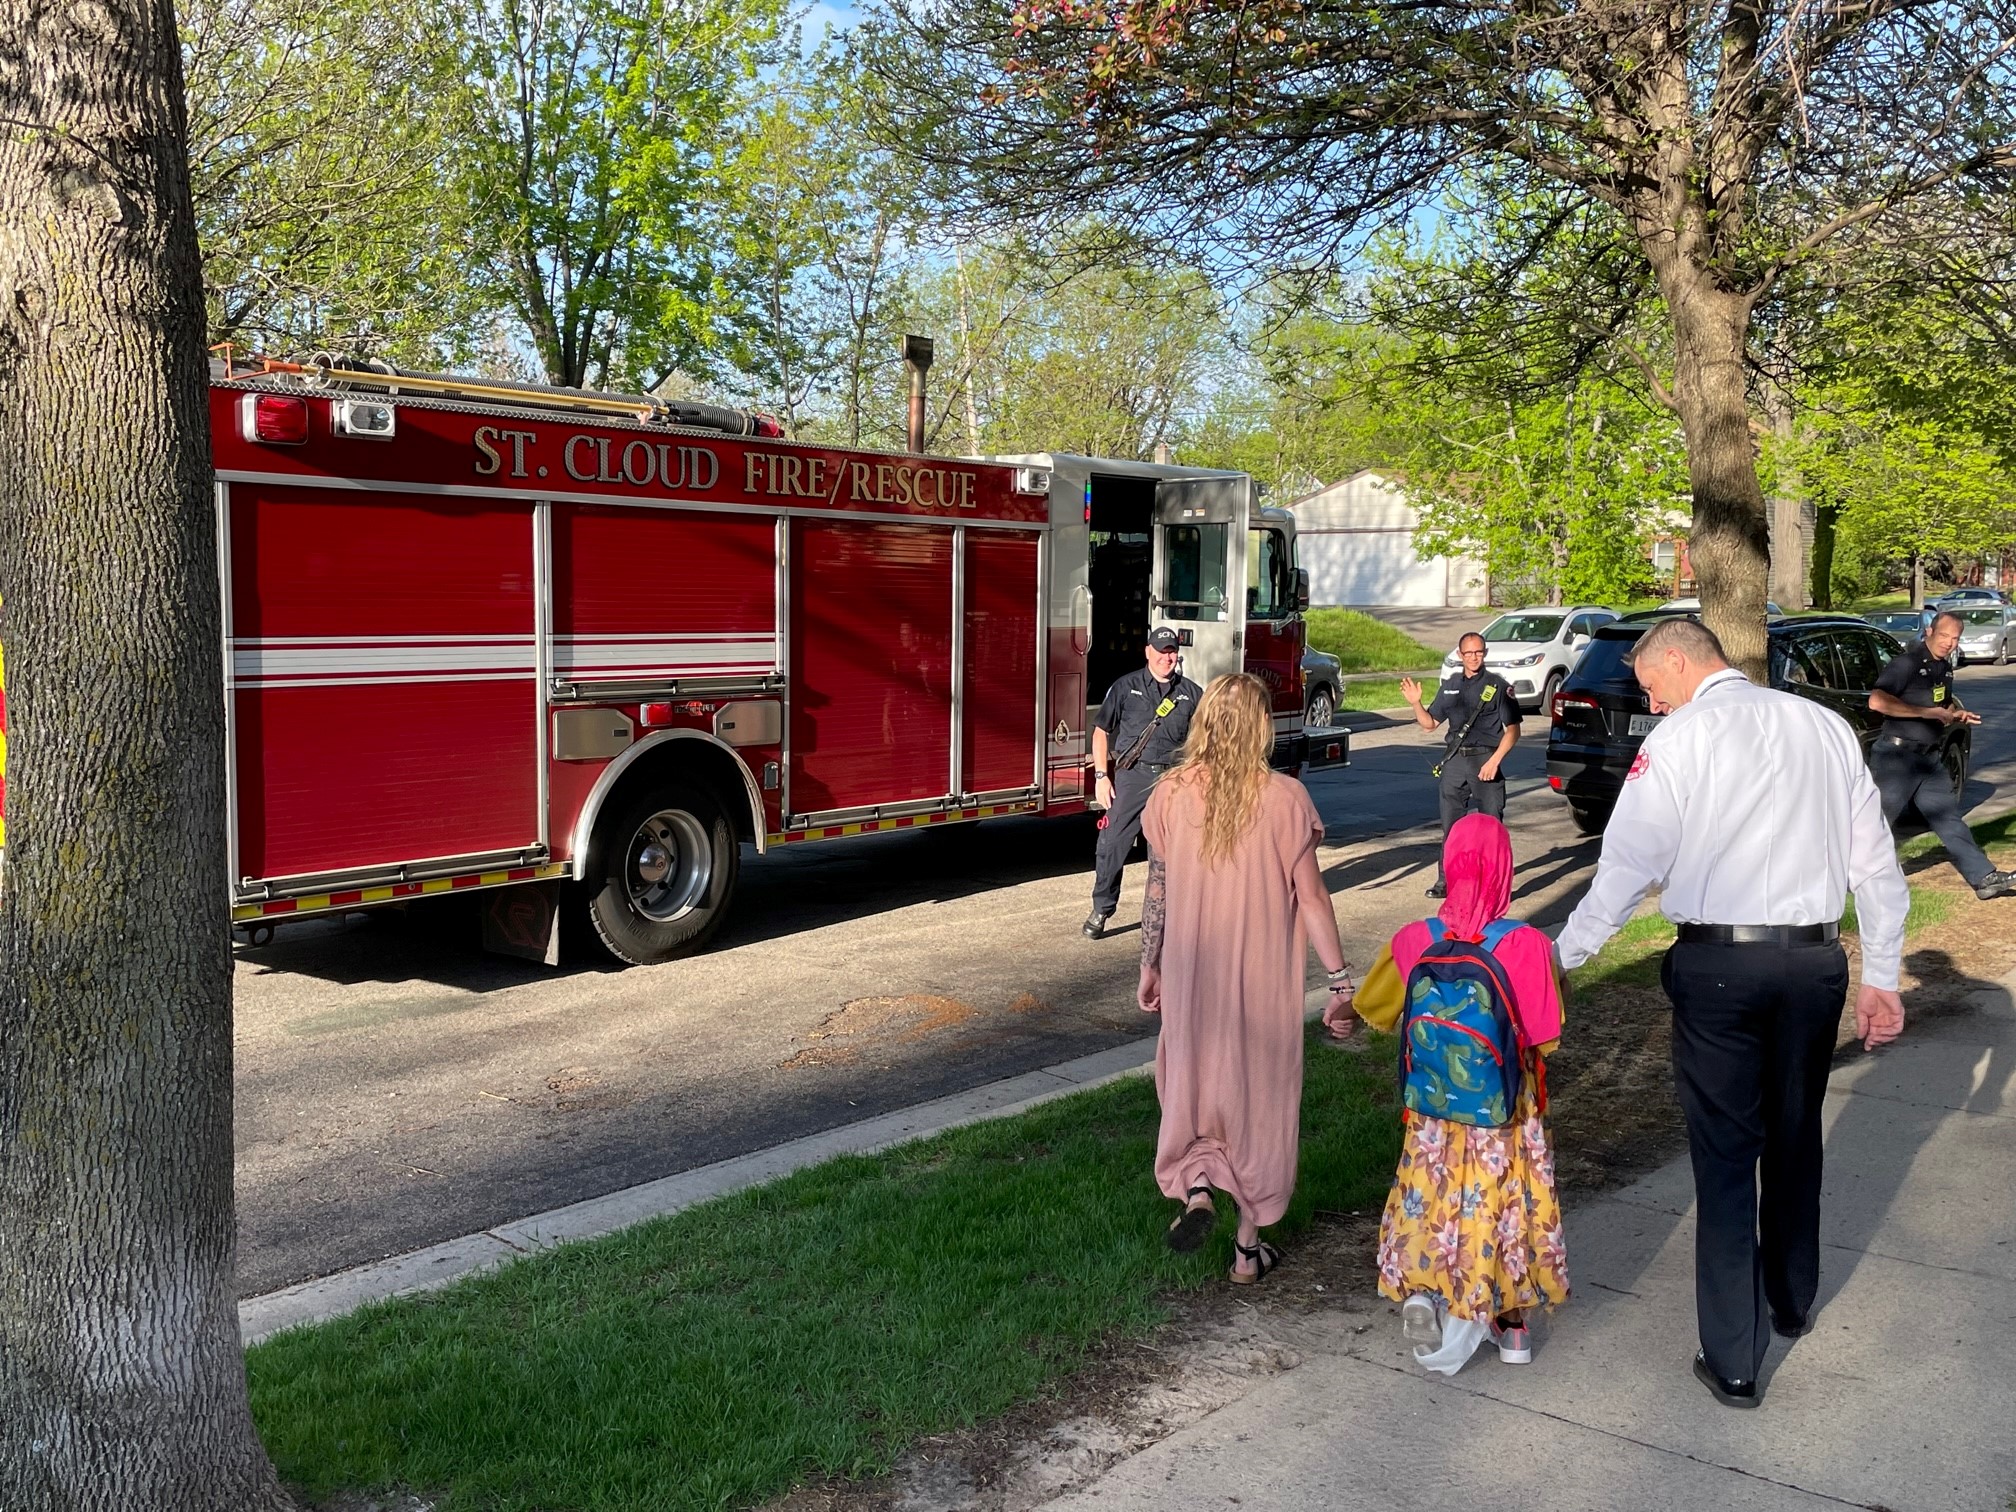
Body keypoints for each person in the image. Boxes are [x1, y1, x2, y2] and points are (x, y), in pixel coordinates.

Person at [1556, 617, 1909, 1410]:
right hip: (1814, 962)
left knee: (1723, 1158)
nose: (1652, 699)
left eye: (1652, 686)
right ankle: (1791, 1300)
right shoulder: (1823, 726)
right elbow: (1876, 864)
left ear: (1679, 661)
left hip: (1719, 965)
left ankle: (1735, 1357)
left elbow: (1628, 865)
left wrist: (1558, 959)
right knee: (1793, 1134)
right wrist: (1882, 972)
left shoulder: (1681, 741)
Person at [1328, 813, 1568, 1373]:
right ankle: (1511, 1330)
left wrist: (1342, 1010)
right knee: (1503, 1207)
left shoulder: (1416, 939)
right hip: (1503, 1113)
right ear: (1506, 869)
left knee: (1428, 1195)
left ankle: (1422, 1290)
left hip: (1431, 1109)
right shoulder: (1527, 945)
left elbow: (1378, 1009)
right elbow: (1545, 1036)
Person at [1137, 673, 1351, 1282]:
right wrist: (1339, 981)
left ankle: (1199, 1186)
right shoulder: (1285, 798)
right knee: (1258, 1100)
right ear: (1260, 727)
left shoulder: (1169, 794)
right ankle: (1246, 1251)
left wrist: (1150, 963)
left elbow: (1157, 889)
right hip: (1262, 986)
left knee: (1194, 1087)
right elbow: (1312, 898)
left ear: (1202, 722)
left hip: (1190, 975)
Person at [1866, 611, 2013, 899]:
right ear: (1929, 631)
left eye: (1954, 638)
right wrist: (1924, 713)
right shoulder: (1906, 663)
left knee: (1948, 818)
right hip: (1897, 759)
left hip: (1928, 760)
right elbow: (1877, 701)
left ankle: (1985, 878)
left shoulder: (1943, 668)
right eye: (1943, 635)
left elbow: (1938, 707)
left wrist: (1954, 714)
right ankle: (1847, 877)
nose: (1948, 642)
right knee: (1877, 822)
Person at [1083, 626, 1202, 939]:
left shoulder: (1191, 693)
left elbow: (1206, 739)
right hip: (1133, 776)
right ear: (1148, 651)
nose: (1167, 657)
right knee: (1111, 844)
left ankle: (1170, 914)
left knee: (1172, 852)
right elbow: (1101, 732)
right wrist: (1100, 777)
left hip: (1173, 780)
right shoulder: (1126, 686)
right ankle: (1102, 909)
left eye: (1172, 651)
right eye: (1162, 651)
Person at [1400, 633, 1520, 898]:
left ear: (1485, 653)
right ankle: (1446, 881)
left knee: (1491, 828)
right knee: (1451, 827)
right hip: (1455, 761)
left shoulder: (1498, 686)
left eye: (1479, 652)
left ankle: (1493, 885)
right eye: (1469, 653)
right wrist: (1415, 703)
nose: (1474, 657)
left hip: (1486, 759)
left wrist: (1495, 761)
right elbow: (1430, 724)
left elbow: (1513, 731)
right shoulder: (1451, 685)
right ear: (1460, 654)